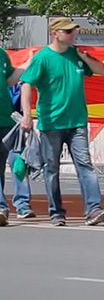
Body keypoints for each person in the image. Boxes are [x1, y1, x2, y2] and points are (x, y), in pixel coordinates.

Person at [19, 17, 104, 226]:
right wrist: (27, 115)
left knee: (85, 165)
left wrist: (84, 58)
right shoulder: (43, 58)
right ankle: (56, 212)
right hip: (52, 123)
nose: (73, 35)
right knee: (51, 169)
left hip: (77, 121)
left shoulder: (75, 55)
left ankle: (93, 209)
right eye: (68, 32)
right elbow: (26, 85)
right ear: (55, 34)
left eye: (73, 31)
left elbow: (101, 71)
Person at [0, 47, 31, 225]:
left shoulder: (2, 55)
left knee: (18, 161)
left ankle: (22, 204)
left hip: (7, 121)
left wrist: (28, 64)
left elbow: (11, 80)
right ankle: (2, 207)